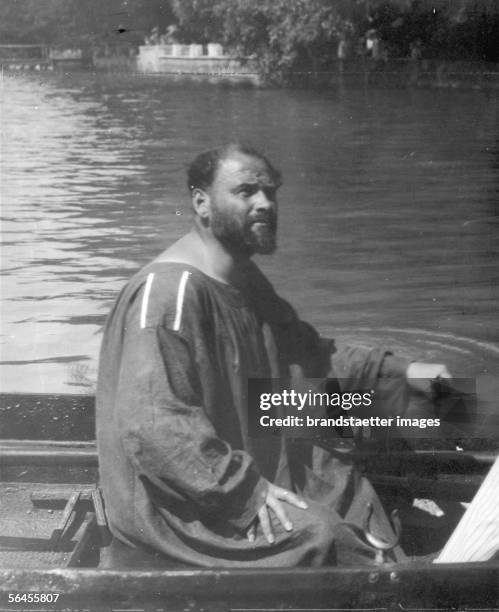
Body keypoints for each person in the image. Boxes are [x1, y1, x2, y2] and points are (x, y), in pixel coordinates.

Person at [96, 143, 451, 569]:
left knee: (446, 410)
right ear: (201, 202)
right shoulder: (169, 293)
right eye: (246, 192)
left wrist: (402, 372)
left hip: (245, 461)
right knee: (322, 535)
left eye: (270, 192)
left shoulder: (245, 280)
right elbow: (154, 429)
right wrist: (248, 494)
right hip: (184, 509)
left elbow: (312, 358)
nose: (265, 203)